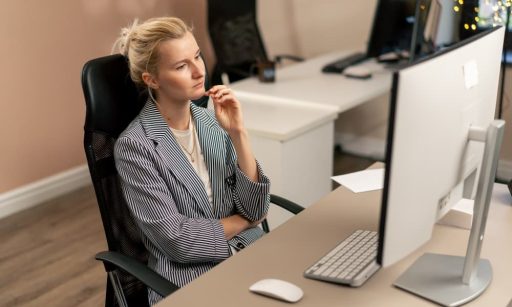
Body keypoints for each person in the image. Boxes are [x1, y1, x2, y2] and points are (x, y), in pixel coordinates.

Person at [112, 17, 270, 305]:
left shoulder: (211, 122)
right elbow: (178, 240)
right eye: (181, 65)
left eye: (197, 56)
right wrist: (244, 221)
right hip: (188, 280)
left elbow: (257, 208)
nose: (199, 71)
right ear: (152, 79)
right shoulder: (134, 147)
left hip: (249, 259)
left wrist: (238, 133)